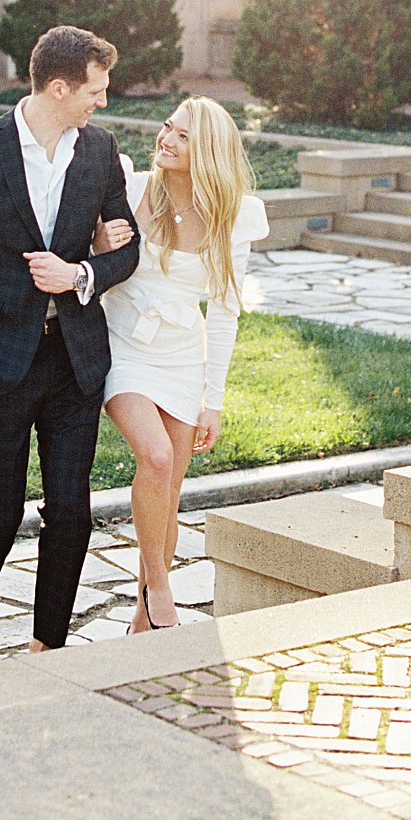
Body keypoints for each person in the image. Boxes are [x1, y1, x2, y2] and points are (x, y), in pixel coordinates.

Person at [0, 25, 143, 653]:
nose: (103, 101)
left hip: (74, 360)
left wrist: (82, 274)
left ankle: (50, 645)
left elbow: (129, 248)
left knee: (71, 510)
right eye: (95, 89)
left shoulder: (99, 151)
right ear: (61, 86)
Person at [91, 97, 266, 631]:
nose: (166, 138)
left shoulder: (234, 216)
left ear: (207, 150)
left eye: (183, 135)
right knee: (158, 459)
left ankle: (145, 627)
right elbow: (90, 259)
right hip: (122, 343)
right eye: (168, 127)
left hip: (183, 356)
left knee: (169, 487)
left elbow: (224, 312)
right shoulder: (130, 187)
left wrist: (213, 399)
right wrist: (98, 243)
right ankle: (160, 588)